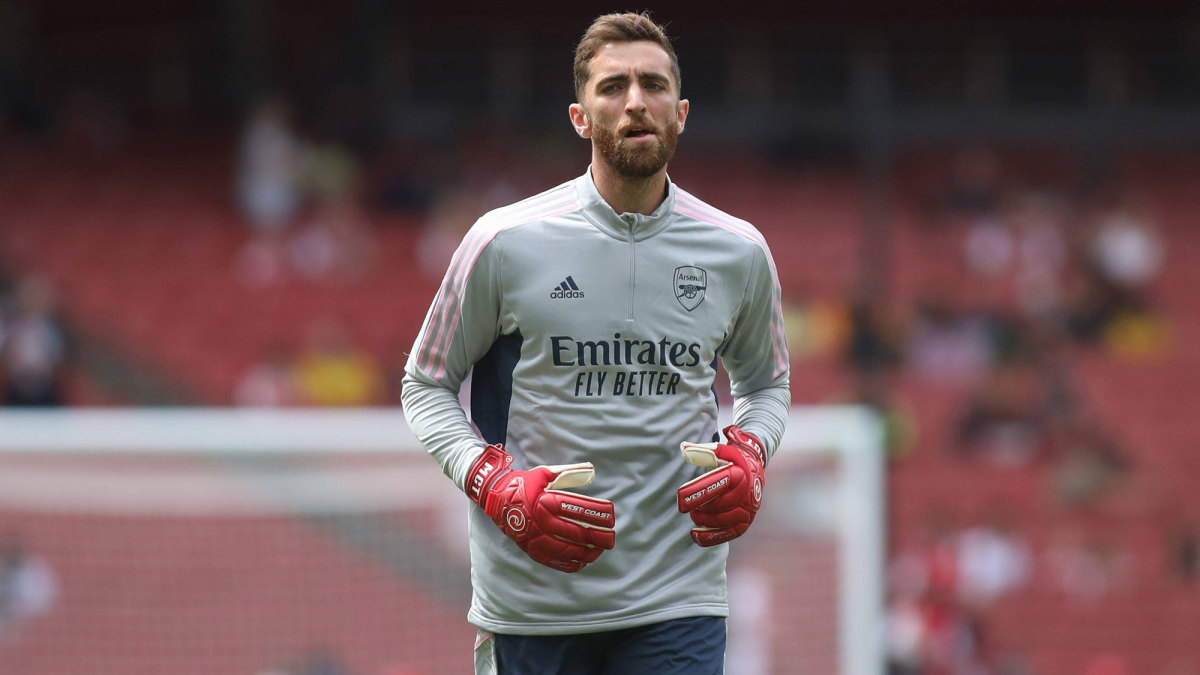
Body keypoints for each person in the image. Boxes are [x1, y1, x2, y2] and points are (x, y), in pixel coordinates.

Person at [400, 12, 790, 675]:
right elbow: (424, 383)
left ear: (682, 111)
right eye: (613, 87)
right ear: (580, 116)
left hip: (679, 600)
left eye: (653, 83)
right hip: (533, 599)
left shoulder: (738, 250)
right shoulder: (503, 241)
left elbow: (766, 385)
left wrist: (751, 449)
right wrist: (492, 484)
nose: (635, 100)